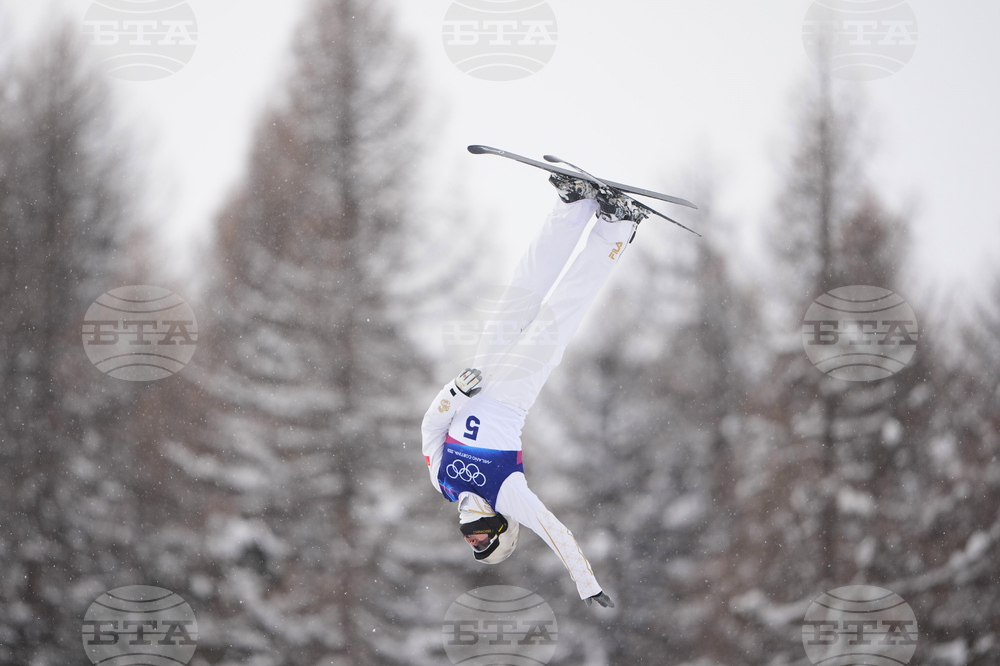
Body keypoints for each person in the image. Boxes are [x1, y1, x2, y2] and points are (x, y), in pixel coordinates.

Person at [421, 172, 648, 607]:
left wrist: (453, 392)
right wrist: (588, 584)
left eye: (469, 535)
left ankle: (573, 207)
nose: (471, 526)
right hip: (513, 393)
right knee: (562, 308)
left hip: (481, 377)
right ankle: (617, 227)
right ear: (503, 526)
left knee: (521, 291)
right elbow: (555, 532)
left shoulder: (443, 480)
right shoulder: (507, 494)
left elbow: (430, 427)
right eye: (482, 534)